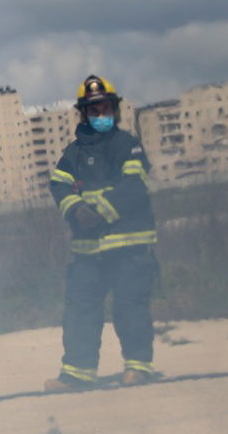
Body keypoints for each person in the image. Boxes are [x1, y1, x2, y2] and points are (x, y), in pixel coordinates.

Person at [46, 75, 160, 391]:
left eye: (105, 108)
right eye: (94, 110)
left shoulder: (127, 145)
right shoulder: (74, 153)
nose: (101, 115)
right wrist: (75, 210)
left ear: (115, 109)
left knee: (130, 308)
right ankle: (77, 374)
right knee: (80, 310)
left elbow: (135, 186)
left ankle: (138, 368)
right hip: (88, 252)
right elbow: (59, 185)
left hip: (129, 248)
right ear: (84, 114)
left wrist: (99, 212)